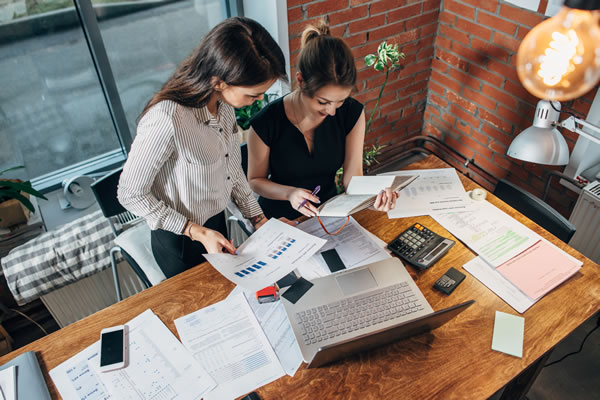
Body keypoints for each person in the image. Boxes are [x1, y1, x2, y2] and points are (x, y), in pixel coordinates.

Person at [117, 17, 287, 278]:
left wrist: (258, 220)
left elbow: (231, 170)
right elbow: (130, 193)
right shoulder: (167, 118)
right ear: (219, 81)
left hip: (215, 223)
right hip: (180, 239)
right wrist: (194, 230)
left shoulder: (225, 107)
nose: (260, 99)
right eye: (253, 94)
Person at [247, 21, 399, 220]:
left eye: (340, 101)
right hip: (279, 218)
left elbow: (352, 178)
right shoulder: (266, 122)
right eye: (323, 102)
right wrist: (290, 193)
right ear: (301, 81)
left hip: (328, 211)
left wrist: (374, 199)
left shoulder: (351, 112)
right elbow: (255, 180)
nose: (332, 111)